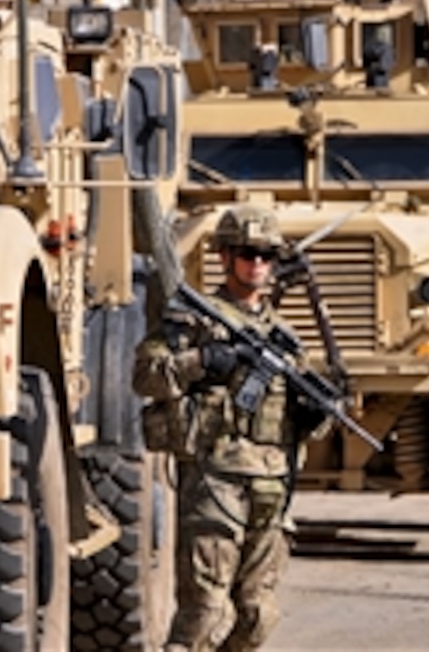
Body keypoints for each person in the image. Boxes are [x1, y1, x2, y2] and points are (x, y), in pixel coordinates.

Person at [132, 205, 324, 652]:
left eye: (266, 255)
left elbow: (298, 424)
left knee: (258, 615)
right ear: (224, 256)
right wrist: (202, 362)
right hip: (215, 477)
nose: (257, 263)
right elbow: (145, 375)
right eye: (245, 252)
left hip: (273, 483)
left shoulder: (284, 337)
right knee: (205, 613)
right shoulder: (193, 319)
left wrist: (315, 415)